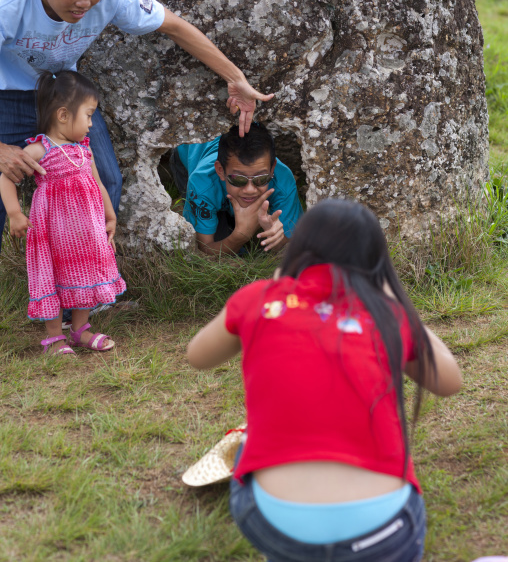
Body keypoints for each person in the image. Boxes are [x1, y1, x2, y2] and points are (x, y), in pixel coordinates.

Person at [187, 198, 462, 562]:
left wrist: (272, 288)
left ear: (299, 249)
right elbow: (449, 381)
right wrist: (396, 301)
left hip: (275, 523)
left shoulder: (260, 300)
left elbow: (197, 355)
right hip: (383, 530)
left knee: (246, 441)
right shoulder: (386, 314)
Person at [0, 0, 273, 251]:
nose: (85, 3)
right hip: (5, 92)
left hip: (61, 90)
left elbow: (175, 26)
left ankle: (87, 281)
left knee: (106, 179)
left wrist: (236, 78)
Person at [0, 70, 126, 355]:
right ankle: (54, 338)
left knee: (84, 275)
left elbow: (97, 183)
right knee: (52, 276)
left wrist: (110, 216)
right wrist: (15, 214)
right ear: (63, 115)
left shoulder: (83, 149)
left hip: (86, 232)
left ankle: (80, 330)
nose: (92, 124)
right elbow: (6, 178)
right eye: (89, 115)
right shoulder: (39, 149)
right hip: (53, 233)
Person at [171, 123, 303, 255]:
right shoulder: (202, 183)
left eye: (261, 179)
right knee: (223, 248)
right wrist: (241, 235)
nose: (250, 190)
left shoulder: (283, 179)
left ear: (272, 169)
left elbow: (291, 244)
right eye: (238, 179)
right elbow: (205, 248)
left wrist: (276, 238)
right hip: (188, 151)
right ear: (220, 171)